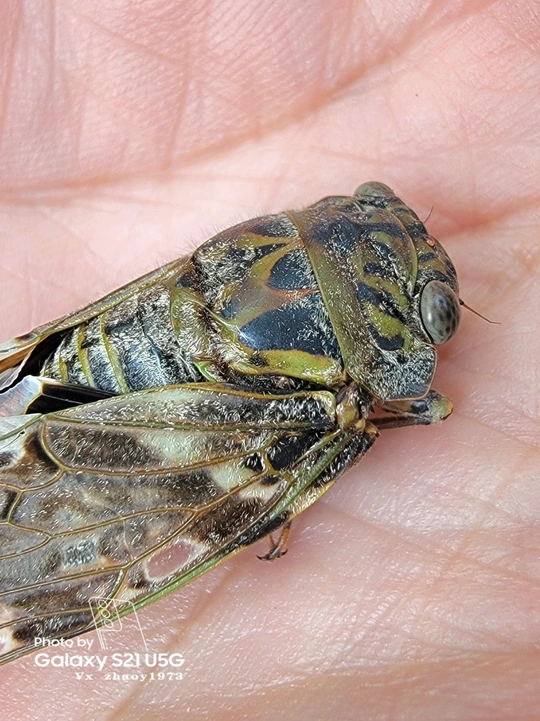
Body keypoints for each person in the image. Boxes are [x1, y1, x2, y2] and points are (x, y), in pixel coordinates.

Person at [0, 1, 538, 719]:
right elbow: (416, 408)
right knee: (345, 431)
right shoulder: (339, 406)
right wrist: (301, 476)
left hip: (124, 343)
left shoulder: (277, 248)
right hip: (185, 433)